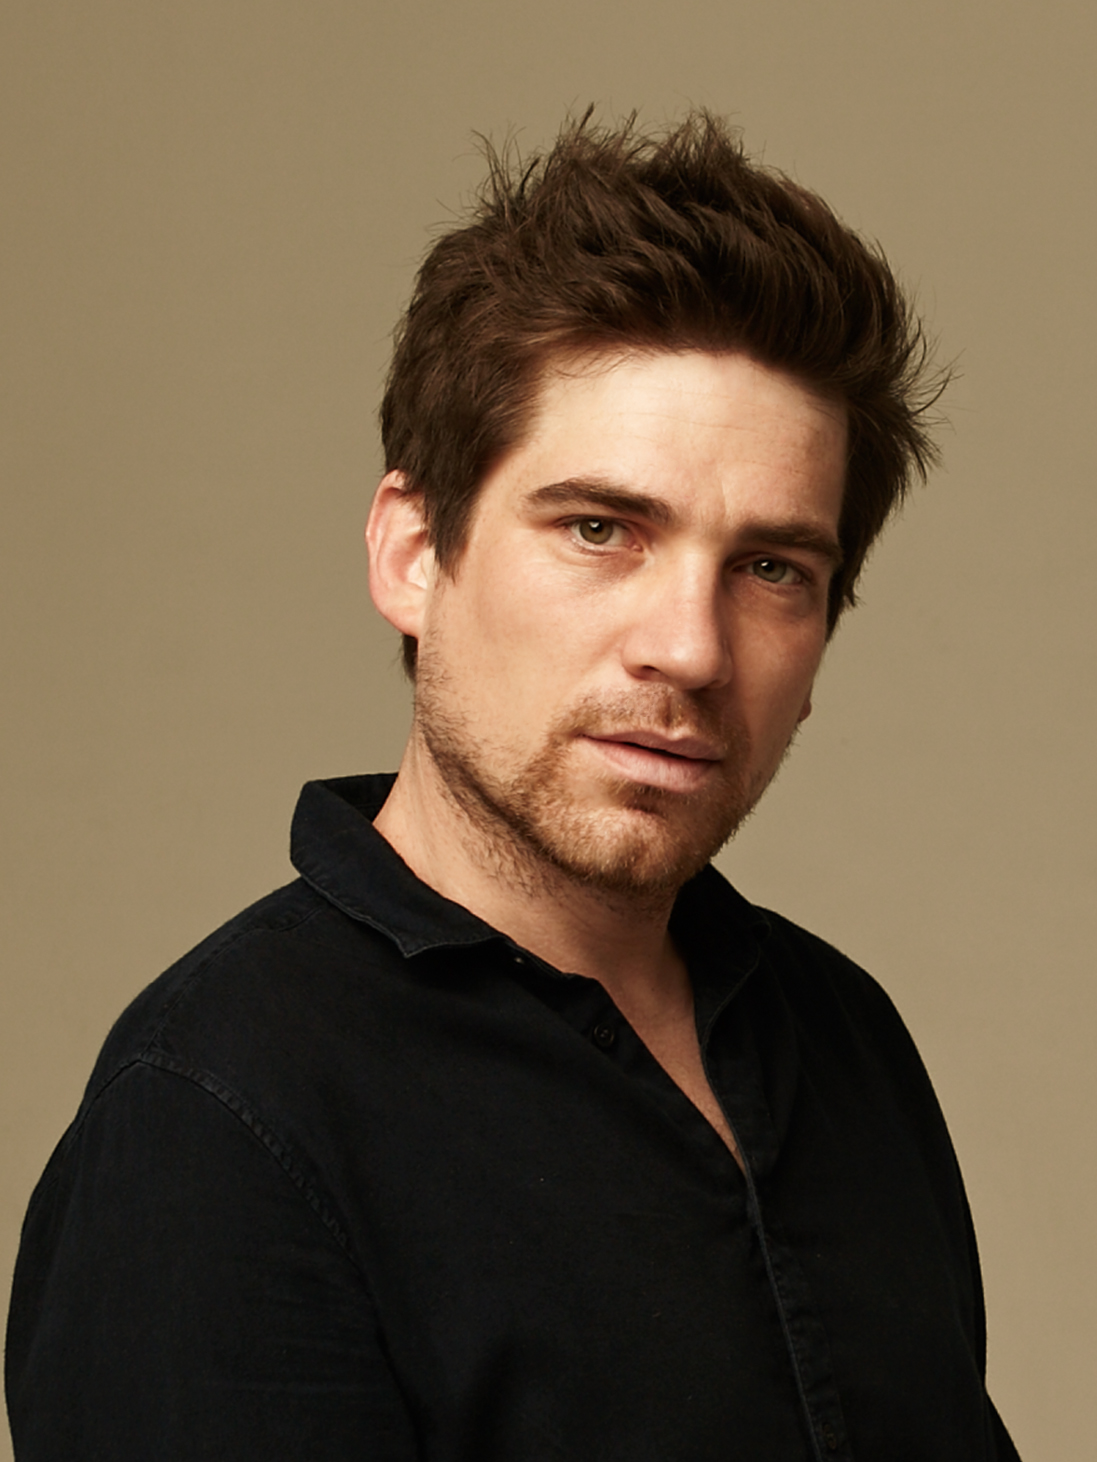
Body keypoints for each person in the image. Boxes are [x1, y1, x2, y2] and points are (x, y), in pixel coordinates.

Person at [5, 112, 1020, 1460]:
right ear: (412, 553)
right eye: (600, 528)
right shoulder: (215, 1117)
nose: (691, 647)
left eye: (772, 567)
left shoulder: (843, 1038)